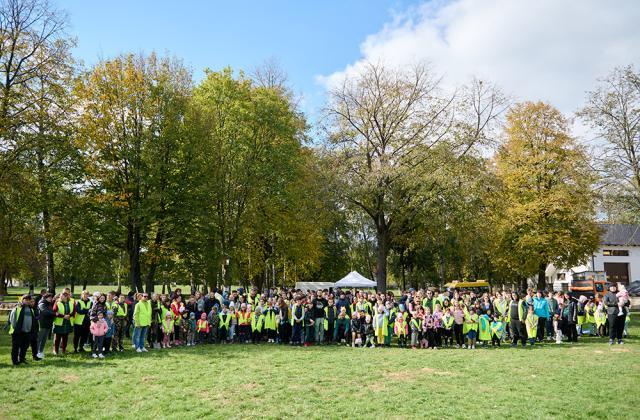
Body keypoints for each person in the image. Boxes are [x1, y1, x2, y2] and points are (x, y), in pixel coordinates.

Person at [9, 295, 35, 366]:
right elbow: (12, 320)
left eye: (29, 300)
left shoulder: (31, 310)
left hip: (27, 332)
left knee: (24, 347)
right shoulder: (17, 309)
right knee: (15, 347)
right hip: (17, 332)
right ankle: (15, 361)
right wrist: (16, 329)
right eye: (25, 299)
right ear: (22, 300)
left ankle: (22, 359)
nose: (27, 301)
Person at [36, 293, 55, 359]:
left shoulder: (49, 304)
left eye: (51, 297)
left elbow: (51, 312)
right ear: (45, 298)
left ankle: (40, 351)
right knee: (39, 339)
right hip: (42, 324)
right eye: (49, 297)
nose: (51, 299)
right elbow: (45, 312)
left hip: (48, 324)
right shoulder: (42, 304)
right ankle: (36, 352)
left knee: (44, 339)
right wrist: (55, 314)